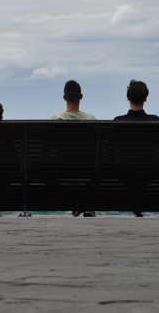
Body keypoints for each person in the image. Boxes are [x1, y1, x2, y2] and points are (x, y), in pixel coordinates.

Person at [114, 79, 159, 217]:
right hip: (150, 178)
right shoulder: (156, 122)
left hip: (123, 180)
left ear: (128, 98)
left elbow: (109, 155)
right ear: (145, 98)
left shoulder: (118, 122)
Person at [50, 80, 96, 217]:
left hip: (62, 173)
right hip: (86, 173)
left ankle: (77, 204)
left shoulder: (54, 119)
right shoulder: (91, 120)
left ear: (64, 97)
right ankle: (85, 205)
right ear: (81, 96)